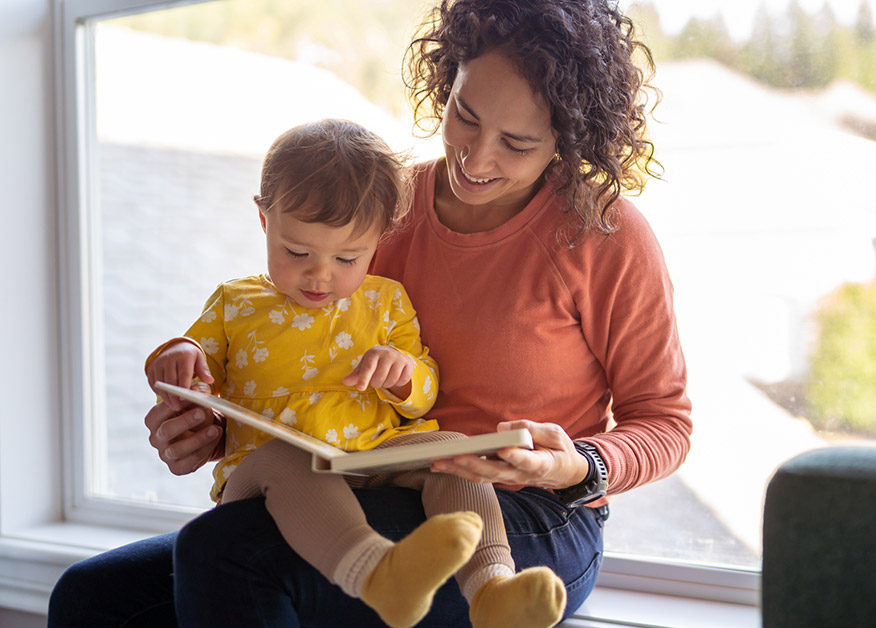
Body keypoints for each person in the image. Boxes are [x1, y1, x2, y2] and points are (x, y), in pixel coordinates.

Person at [48, 0, 691, 626]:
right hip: (363, 478)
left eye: (517, 143)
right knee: (90, 597)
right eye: (464, 115)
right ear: (449, 77)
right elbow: (299, 349)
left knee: (228, 553)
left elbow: (665, 423)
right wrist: (216, 425)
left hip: (533, 513)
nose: (476, 156)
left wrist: (576, 465)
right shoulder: (380, 203)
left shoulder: (603, 234)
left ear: (568, 138)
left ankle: (490, 590)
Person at [142, 117, 565, 628]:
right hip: (266, 474)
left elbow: (424, 393)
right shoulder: (237, 302)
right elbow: (191, 365)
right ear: (263, 221)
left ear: (379, 239)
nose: (319, 274)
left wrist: (402, 374)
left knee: (454, 450)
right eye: (296, 252)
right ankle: (379, 575)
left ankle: (492, 588)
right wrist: (177, 354)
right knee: (288, 457)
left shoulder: (386, 302)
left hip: (367, 458)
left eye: (347, 257)